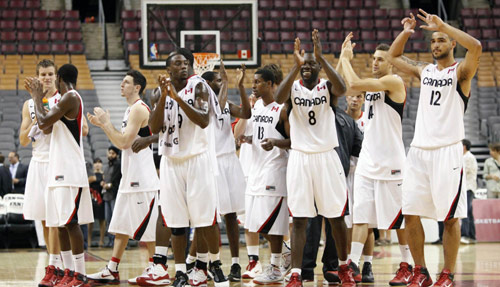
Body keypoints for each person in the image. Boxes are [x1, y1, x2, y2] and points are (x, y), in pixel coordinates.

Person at [387, 9, 482, 287]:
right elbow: (393, 57)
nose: (436, 45)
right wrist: (406, 33)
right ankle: (421, 271)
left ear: (452, 43)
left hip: (447, 151)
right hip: (418, 151)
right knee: (410, 212)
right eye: (433, 41)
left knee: (450, 218)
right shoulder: (424, 69)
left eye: (441, 40)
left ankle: (448, 273)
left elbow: (476, 46)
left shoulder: (461, 72)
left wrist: (444, 26)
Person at [275, 30, 356, 287]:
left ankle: (344, 267)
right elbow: (278, 98)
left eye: (312, 64)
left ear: (319, 67)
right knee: (299, 218)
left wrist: (321, 58)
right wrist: (294, 67)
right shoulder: (293, 87)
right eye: (304, 63)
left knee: (335, 217)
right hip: (300, 157)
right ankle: (297, 273)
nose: (307, 67)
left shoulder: (327, 86)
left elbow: (343, 88)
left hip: (326, 156)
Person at [149, 50, 228, 287]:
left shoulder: (199, 87)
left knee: (205, 218)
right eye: (177, 64)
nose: (184, 66)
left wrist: (178, 98)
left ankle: (213, 265)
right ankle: (181, 271)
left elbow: (204, 120)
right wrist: (165, 96)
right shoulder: (158, 92)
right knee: (176, 220)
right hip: (171, 160)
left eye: (185, 63)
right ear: (168, 70)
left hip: (197, 158)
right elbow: (154, 127)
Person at [339, 35, 412, 285]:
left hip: (391, 164)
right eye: (374, 59)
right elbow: (344, 85)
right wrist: (342, 58)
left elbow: (355, 82)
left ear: (391, 63)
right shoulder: (370, 89)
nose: (375, 63)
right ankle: (352, 265)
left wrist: (346, 59)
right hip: (367, 164)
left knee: (398, 220)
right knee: (361, 218)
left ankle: (408, 264)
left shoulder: (394, 81)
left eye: (381, 59)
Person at [87, 70, 160, 285]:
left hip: (142, 180)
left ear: (137, 87)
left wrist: (105, 124)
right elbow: (121, 141)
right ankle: (112, 269)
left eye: (125, 82)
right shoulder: (130, 109)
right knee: (121, 227)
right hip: (131, 178)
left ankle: (156, 268)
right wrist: (104, 125)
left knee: (148, 229)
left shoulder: (138, 109)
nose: (121, 85)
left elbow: (124, 143)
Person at [25, 63, 94, 287]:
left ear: (59, 78)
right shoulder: (68, 99)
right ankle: (68, 272)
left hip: (70, 170)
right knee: (62, 224)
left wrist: (37, 97)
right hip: (59, 168)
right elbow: (44, 127)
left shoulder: (70, 97)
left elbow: (44, 122)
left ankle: (80, 274)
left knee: (71, 224)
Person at [301, 92, 364, 285]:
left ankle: (306, 270)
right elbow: (359, 149)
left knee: (312, 222)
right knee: (335, 223)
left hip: (315, 172)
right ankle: (332, 266)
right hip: (337, 175)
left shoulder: (315, 115)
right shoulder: (348, 120)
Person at [196, 64, 250, 282]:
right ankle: (205, 262)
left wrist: (240, 86)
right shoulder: (202, 104)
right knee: (208, 217)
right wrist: (227, 82)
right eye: (218, 80)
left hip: (229, 160)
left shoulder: (226, 103)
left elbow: (246, 112)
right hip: (211, 164)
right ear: (208, 84)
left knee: (231, 216)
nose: (221, 82)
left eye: (221, 80)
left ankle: (236, 264)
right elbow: (216, 109)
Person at [237, 68, 291, 284]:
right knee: (256, 223)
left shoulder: (282, 109)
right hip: (256, 169)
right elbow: (261, 132)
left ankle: (276, 267)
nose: (254, 85)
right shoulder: (257, 105)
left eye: (258, 82)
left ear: (270, 84)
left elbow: (294, 140)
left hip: (275, 169)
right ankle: (286, 252)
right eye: (253, 81)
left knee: (273, 225)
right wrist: (250, 139)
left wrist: (275, 143)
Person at [102, 145, 121, 247]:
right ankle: (110, 240)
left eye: (113, 153)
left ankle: (117, 241)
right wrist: (103, 183)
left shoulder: (118, 164)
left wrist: (109, 185)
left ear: (116, 155)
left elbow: (116, 179)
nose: (111, 155)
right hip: (107, 195)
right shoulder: (107, 166)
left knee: (115, 219)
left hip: (114, 194)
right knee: (108, 219)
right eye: (110, 153)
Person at [461, 139, 477, 244]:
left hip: (468, 188)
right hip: (466, 188)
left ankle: (465, 235)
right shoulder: (464, 157)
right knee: (469, 213)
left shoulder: (469, 157)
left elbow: (464, 171)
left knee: (465, 212)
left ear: (465, 146)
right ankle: (472, 236)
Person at [88, 158, 105, 248]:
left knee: (102, 220)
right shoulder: (91, 175)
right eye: (96, 162)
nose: (97, 164)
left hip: (101, 199)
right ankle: (89, 240)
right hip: (91, 198)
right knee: (90, 221)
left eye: (99, 162)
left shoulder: (104, 175)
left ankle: (101, 241)